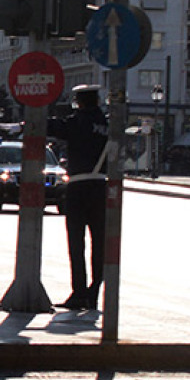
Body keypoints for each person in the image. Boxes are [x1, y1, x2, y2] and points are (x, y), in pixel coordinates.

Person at [47, 84, 108, 310]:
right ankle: (94, 292)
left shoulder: (77, 121)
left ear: (79, 102)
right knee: (99, 243)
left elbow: (54, 127)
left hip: (78, 186)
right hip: (101, 186)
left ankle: (79, 292)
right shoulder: (107, 123)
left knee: (76, 242)